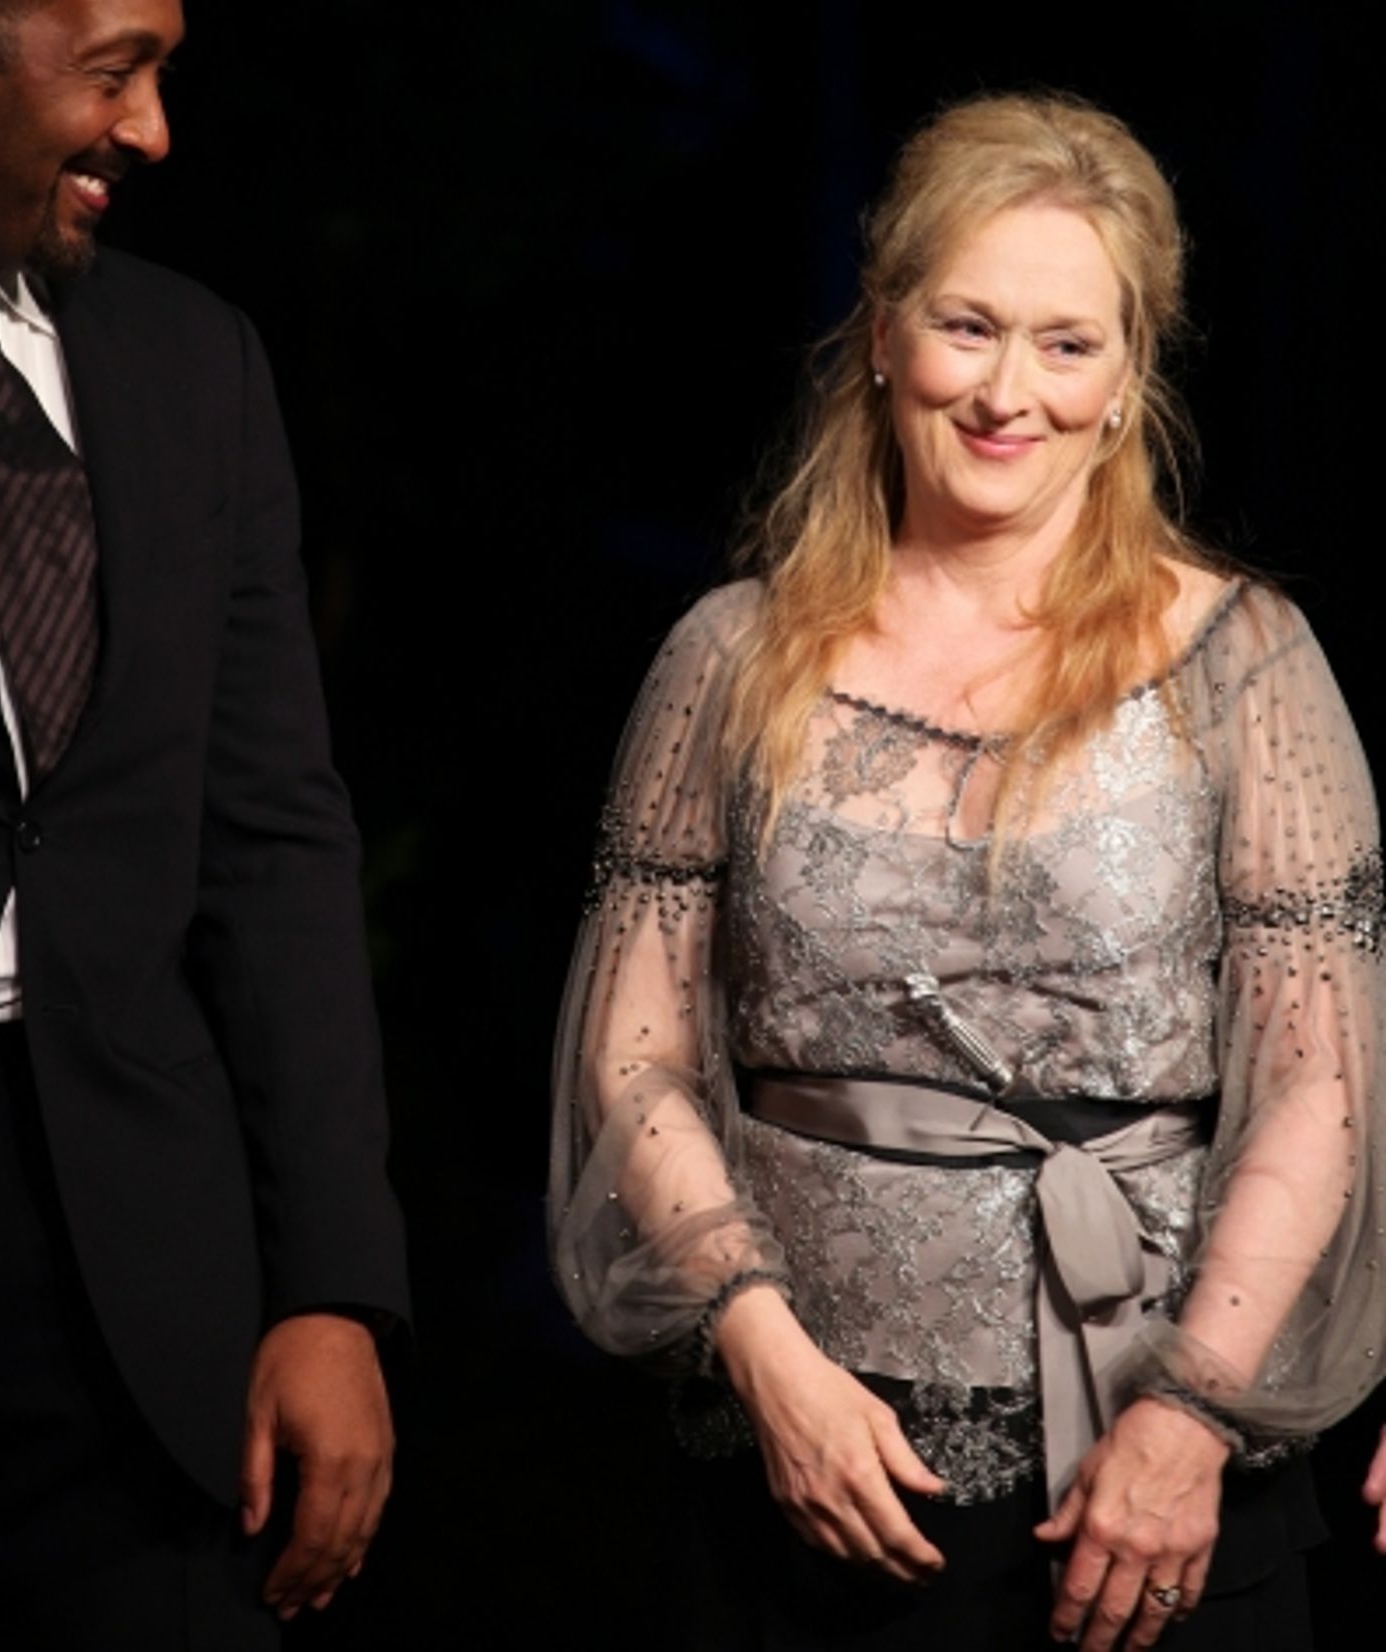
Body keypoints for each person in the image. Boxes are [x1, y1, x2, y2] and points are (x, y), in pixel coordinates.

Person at [549, 93, 1386, 1650]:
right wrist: (764, 1353)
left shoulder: (1244, 662)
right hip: (811, 1465)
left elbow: (1317, 1084)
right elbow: (637, 1047)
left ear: (1131, 377)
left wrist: (1193, 1416)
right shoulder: (730, 660)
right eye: (970, 326)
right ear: (882, 338)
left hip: (1158, 1470)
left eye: (1070, 344)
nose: (1013, 393)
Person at [0, 0, 408, 1645]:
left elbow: (277, 848)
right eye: (112, 72)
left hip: (136, 1306)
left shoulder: (190, 365)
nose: (152, 131)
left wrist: (332, 1290)